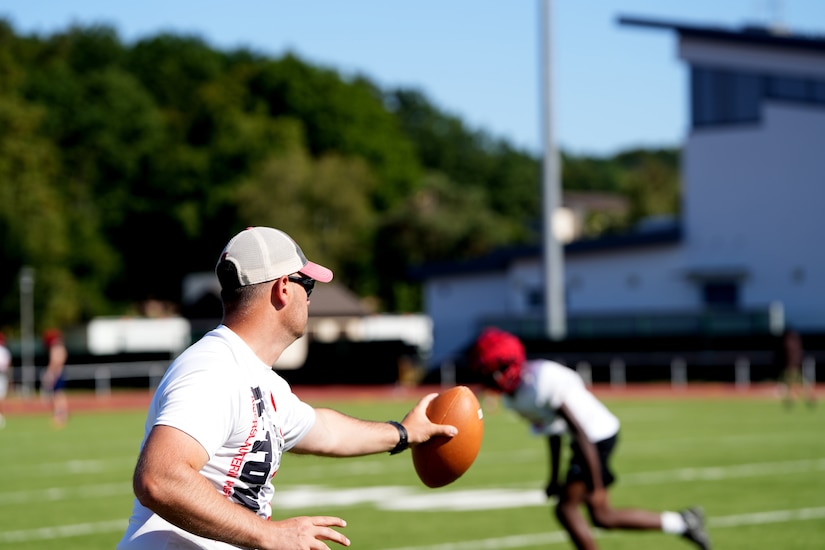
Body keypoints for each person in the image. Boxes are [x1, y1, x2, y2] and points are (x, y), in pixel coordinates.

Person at [117, 226, 457, 550]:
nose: (309, 300)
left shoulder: (258, 378)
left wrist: (403, 432)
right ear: (282, 288)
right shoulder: (213, 369)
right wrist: (269, 534)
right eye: (306, 286)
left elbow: (325, 431)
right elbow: (159, 478)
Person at [467, 327, 711, 550]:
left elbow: (580, 430)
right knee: (602, 516)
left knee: (566, 509)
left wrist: (594, 485)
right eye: (492, 373)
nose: (498, 378)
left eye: (501, 369)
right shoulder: (515, 397)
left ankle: (682, 522)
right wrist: (554, 478)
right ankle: (682, 522)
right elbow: (552, 430)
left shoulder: (541, 380)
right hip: (586, 439)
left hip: (596, 437)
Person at [776, 329, 816, 408]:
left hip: (791, 368)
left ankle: (799, 398)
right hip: (795, 367)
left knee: (791, 384)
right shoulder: (796, 344)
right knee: (798, 384)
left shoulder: (788, 344)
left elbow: (788, 357)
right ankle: (807, 397)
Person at [41, 328, 69, 427]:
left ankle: (60, 414)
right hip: (61, 371)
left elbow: (54, 361)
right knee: (59, 394)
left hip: (57, 373)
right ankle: (62, 414)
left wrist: (49, 373)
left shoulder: (56, 348)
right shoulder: (62, 348)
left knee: (57, 395)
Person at [0, 332, 10, 428]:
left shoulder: (4, 351)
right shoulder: (4, 351)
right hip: (2, 375)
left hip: (2, 375)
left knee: (1, 397)